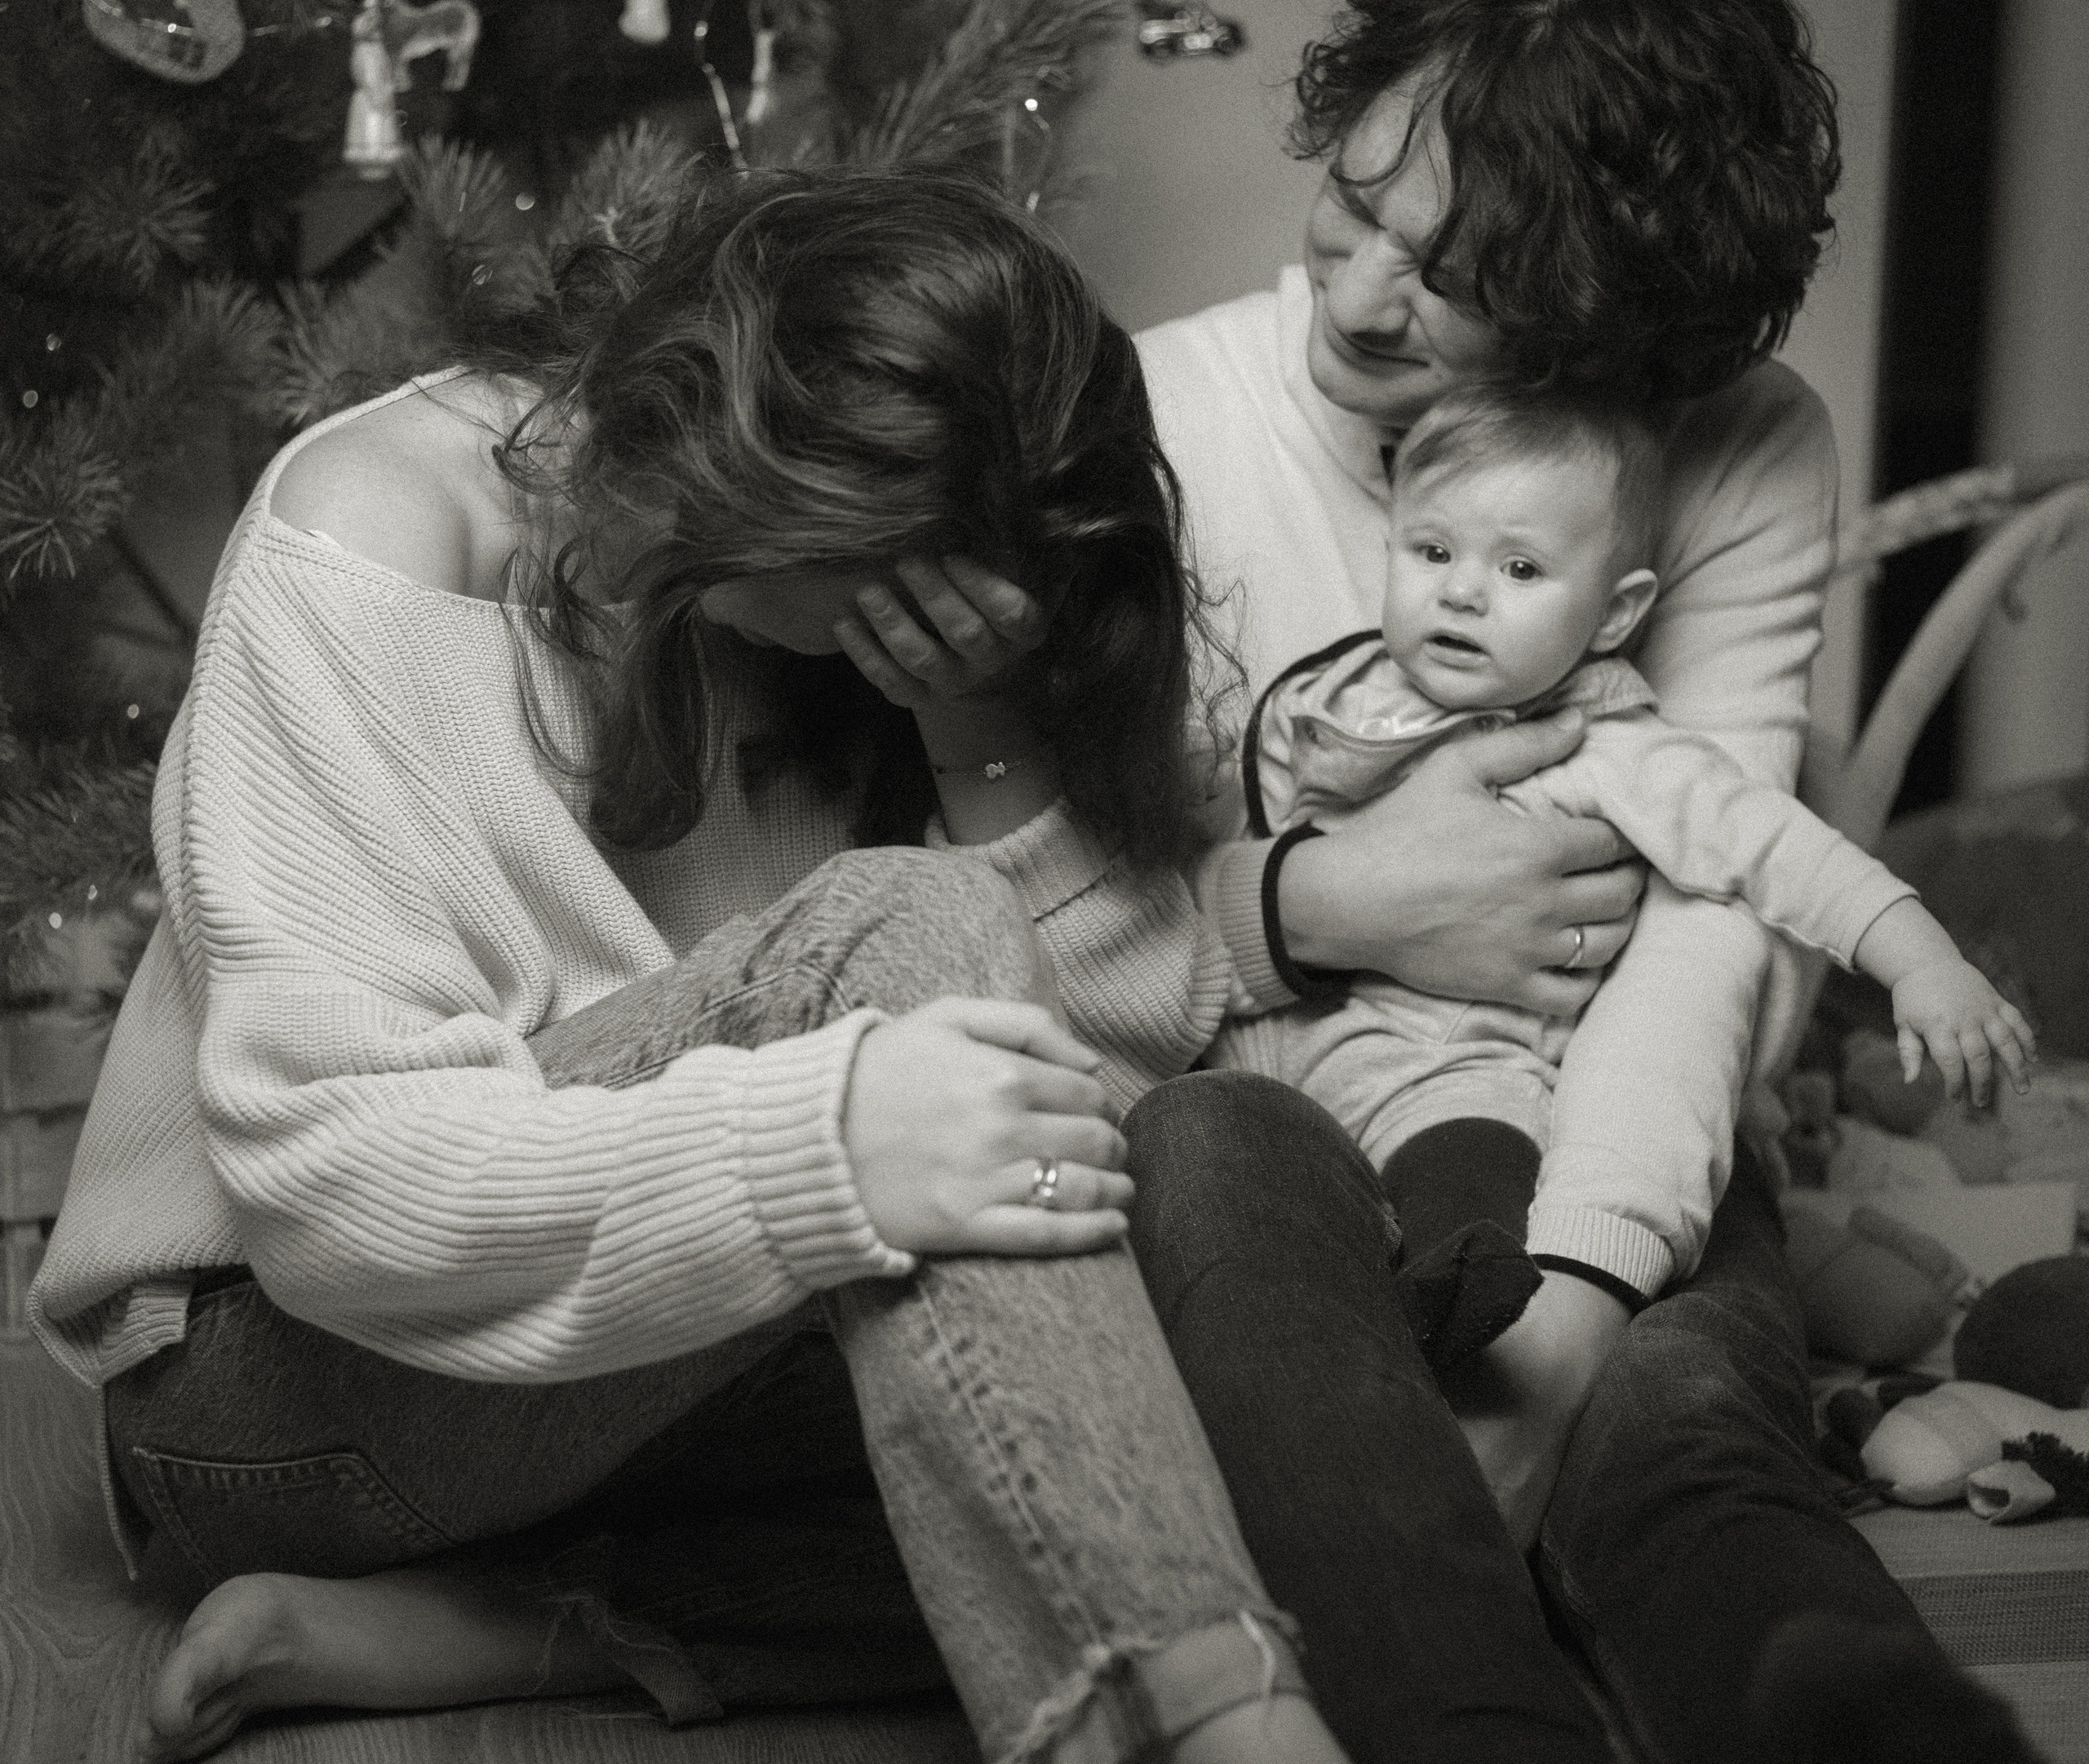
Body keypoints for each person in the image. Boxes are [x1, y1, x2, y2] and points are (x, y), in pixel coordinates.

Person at [29, 168, 1351, 1764]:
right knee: (907, 946)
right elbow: (330, 1188)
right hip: (280, 1386)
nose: (918, 624)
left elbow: (1081, 1081)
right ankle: (1210, 1738)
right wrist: (820, 1149)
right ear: (765, 482)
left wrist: (981, 722)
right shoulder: (369, 537)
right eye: (900, 584)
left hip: (653, 1367)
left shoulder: (881, 640)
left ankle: (539, 1617)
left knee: (1262, 1391)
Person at [1122, 4, 2048, 1762]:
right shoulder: (1149, 422)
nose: (1358, 292)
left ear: (1612, 321)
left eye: (1456, 272)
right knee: (1250, 1242)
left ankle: (1849, 1716)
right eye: (1353, 200)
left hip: (1618, 1112)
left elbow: (1724, 915)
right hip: (1270, 1100)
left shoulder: (1729, 438)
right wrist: (1328, 902)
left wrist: (1579, 1303)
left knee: (1682, 1412)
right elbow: (1027, 922)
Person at [1213, 381, 2036, 1365]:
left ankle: (1454, 1319)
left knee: (1475, 1161)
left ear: (1613, 614)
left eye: (1519, 567)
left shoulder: (1611, 750)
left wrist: (1920, 960)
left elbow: (1777, 848)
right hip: (1270, 1058)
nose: (1462, 590)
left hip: (1450, 1070)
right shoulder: (1334, 688)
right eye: (1431, 551)